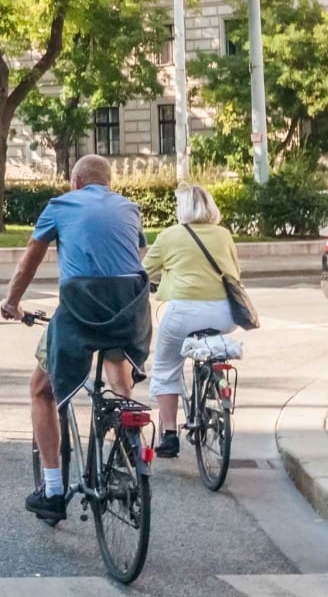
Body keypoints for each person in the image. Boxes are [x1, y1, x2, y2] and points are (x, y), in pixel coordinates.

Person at [0, 154, 152, 525]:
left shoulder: (60, 206)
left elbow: (29, 262)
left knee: (42, 390)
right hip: (128, 310)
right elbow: (137, 255)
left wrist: (12, 302)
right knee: (117, 368)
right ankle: (124, 431)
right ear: (109, 183)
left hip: (81, 309)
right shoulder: (130, 208)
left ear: (76, 182)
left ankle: (53, 490)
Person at [142, 183, 241, 459]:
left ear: (181, 209)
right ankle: (214, 388)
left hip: (184, 312)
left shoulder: (169, 235)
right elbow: (236, 273)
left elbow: (143, 272)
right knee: (209, 348)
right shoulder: (224, 235)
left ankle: (170, 435)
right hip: (225, 313)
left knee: (166, 367)